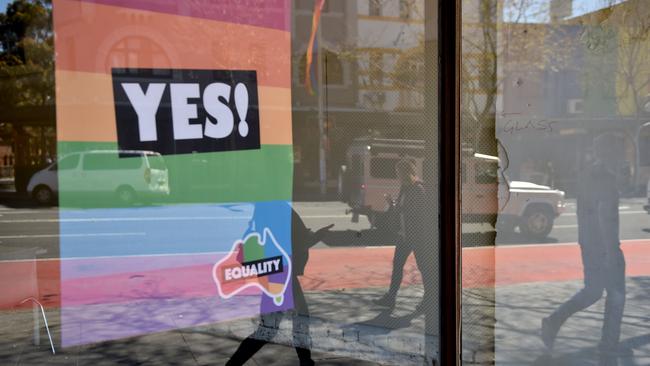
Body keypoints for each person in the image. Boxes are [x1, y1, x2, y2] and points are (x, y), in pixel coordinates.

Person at [541, 133, 627, 356]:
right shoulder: (605, 178)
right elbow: (604, 216)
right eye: (620, 152)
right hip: (604, 247)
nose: (622, 157)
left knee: (594, 291)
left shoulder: (588, 174)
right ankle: (608, 345)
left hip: (589, 244)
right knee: (615, 296)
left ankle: (553, 321)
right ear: (611, 153)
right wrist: (610, 252)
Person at [226, 203, 333, 366]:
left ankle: (305, 361)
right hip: (282, 274)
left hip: (276, 271)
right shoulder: (279, 207)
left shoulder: (265, 207)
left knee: (287, 323)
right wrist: (319, 235)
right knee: (275, 327)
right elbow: (300, 240)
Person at [373, 159, 426, 312]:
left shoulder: (418, 189)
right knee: (397, 265)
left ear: (407, 173)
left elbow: (417, 213)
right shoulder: (405, 187)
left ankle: (428, 300)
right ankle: (390, 298)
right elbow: (403, 208)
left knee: (423, 268)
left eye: (399, 173)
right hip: (404, 235)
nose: (398, 176)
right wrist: (393, 204)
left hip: (416, 237)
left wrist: (398, 207)